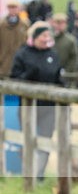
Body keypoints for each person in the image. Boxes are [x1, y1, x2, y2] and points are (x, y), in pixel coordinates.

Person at [10, 21, 63, 180]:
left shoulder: (52, 55)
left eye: (49, 35)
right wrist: (28, 75)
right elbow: (14, 81)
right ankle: (28, 172)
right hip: (28, 106)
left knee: (46, 140)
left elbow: (57, 78)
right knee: (29, 140)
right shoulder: (22, 54)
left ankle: (39, 174)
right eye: (43, 35)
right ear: (34, 37)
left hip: (48, 107)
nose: (47, 38)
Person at [0, 0, 29, 75]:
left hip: (19, 62)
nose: (13, 10)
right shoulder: (1, 24)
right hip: (3, 60)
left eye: (15, 7)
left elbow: (26, 43)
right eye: (10, 7)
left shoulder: (24, 25)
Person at [51, 13, 78, 82]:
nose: (59, 25)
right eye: (57, 22)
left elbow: (74, 59)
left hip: (65, 74)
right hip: (49, 73)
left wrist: (67, 71)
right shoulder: (48, 38)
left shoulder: (71, 40)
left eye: (62, 23)